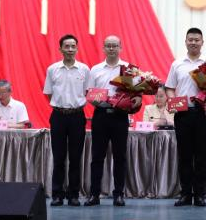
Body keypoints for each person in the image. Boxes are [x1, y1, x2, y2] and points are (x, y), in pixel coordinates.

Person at [85, 35, 140, 208]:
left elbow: (136, 92)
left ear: (120, 47)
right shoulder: (95, 69)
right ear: (103, 48)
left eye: (114, 45)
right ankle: (94, 194)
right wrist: (94, 99)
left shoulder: (128, 69)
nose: (111, 48)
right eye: (108, 45)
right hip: (101, 115)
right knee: (97, 157)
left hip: (120, 116)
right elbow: (89, 92)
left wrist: (135, 100)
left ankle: (119, 194)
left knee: (120, 157)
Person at [165, 27, 206, 207]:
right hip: (183, 114)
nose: (193, 42)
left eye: (197, 40)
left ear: (202, 42)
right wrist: (173, 102)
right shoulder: (177, 64)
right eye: (190, 39)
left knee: (201, 155)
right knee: (184, 155)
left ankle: (200, 194)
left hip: (203, 113)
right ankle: (185, 194)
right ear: (185, 42)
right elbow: (170, 87)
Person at [43, 34, 92, 207]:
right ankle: (57, 195)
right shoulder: (52, 69)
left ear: (77, 49)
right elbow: (48, 93)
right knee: (58, 158)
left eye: (73, 46)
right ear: (60, 49)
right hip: (58, 116)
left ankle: (73, 195)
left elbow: (88, 92)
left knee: (75, 158)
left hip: (77, 116)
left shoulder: (84, 69)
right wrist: (61, 105)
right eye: (67, 46)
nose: (70, 49)